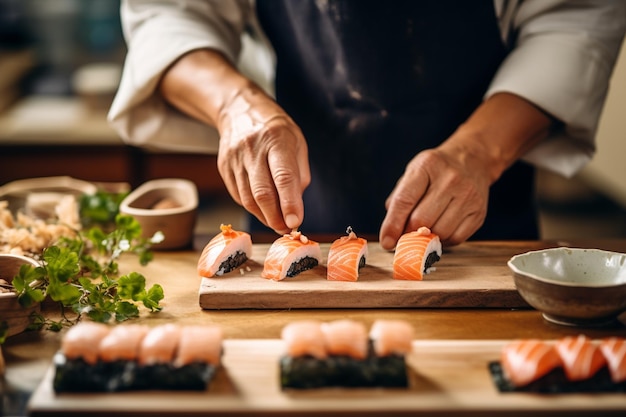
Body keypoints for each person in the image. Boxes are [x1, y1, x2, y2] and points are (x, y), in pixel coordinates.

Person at [108, 0, 626, 249]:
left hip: (485, 231)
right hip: (300, 206)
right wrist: (233, 103)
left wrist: (479, 152)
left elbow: (574, 21)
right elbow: (167, 15)